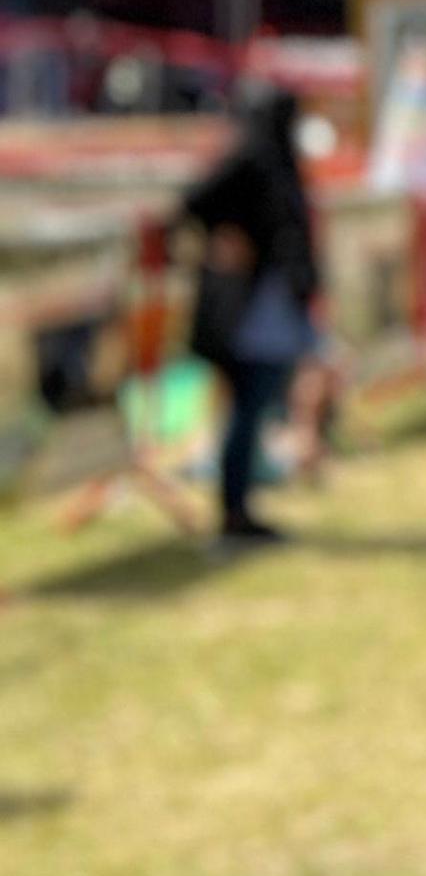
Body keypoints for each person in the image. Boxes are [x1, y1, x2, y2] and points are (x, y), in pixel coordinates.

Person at [178, 87, 323, 545]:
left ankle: (241, 507)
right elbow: (193, 203)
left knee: (257, 406)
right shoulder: (254, 157)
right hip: (251, 310)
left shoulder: (269, 158)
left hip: (267, 305)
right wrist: (225, 238)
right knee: (247, 408)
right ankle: (235, 512)